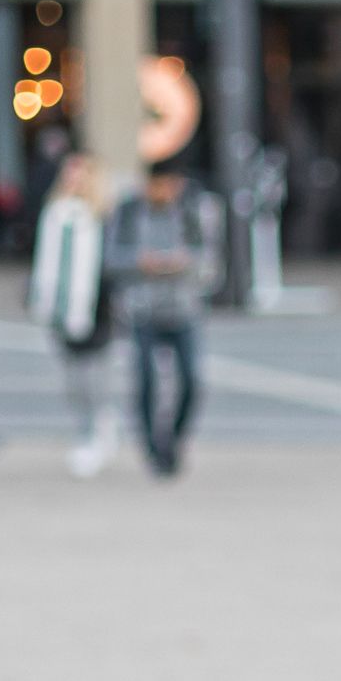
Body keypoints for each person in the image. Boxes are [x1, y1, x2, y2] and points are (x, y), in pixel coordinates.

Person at [107, 160, 222, 479]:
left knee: (192, 381)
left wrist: (182, 263)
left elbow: (210, 262)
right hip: (142, 311)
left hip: (183, 310)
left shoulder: (191, 213)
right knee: (145, 381)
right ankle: (152, 447)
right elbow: (111, 258)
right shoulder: (129, 213)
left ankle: (174, 438)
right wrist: (139, 263)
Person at [25, 152, 119, 477]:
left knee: (93, 379)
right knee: (72, 382)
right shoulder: (53, 215)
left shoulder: (103, 217)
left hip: (96, 311)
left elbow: (110, 267)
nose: (73, 181)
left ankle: (97, 434)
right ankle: (86, 430)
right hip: (60, 309)